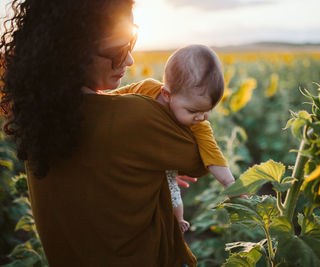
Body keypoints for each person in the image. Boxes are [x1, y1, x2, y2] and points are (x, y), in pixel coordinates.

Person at [0, 0, 207, 266]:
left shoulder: (38, 120)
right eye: (117, 50)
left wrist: (145, 170)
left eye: (130, 44)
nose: (130, 60)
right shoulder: (135, 117)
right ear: (73, 51)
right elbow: (201, 159)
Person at [109, 45, 235, 233]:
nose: (201, 117)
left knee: (172, 197)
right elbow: (113, 100)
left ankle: (177, 222)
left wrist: (230, 184)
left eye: (207, 110)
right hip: (128, 162)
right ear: (167, 95)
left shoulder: (199, 124)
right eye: (193, 111)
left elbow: (213, 155)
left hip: (161, 169)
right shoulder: (147, 89)